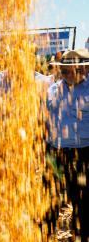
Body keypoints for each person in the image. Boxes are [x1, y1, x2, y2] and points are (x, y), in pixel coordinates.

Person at [46, 49, 89, 240]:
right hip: (55, 151)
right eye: (65, 72)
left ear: (85, 69)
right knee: (51, 196)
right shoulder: (52, 89)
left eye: (75, 71)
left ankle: (81, 235)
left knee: (82, 200)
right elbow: (45, 118)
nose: (70, 76)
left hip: (83, 153)